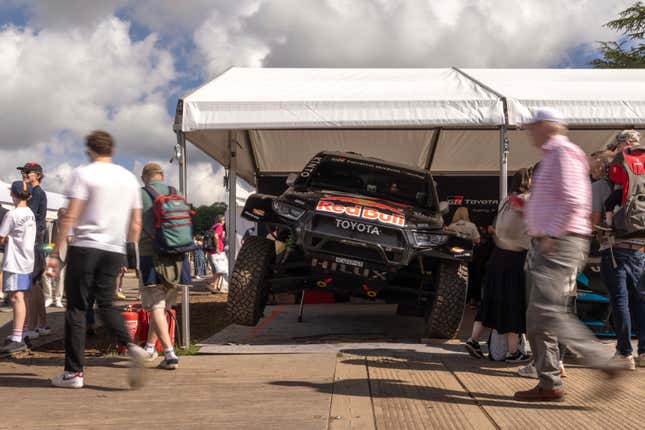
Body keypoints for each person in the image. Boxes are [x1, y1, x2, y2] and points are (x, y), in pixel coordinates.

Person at [514, 108, 619, 402]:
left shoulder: (563, 154)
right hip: (549, 241)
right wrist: (532, 212)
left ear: (548, 126)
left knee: (547, 310)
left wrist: (551, 233)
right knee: (538, 314)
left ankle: (603, 361)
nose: (530, 133)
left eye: (533, 127)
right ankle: (549, 383)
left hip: (558, 242)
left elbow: (574, 200)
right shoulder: (553, 157)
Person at [46, 130, 148, 389]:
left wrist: (55, 253)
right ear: (112, 150)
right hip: (114, 249)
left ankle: (74, 373)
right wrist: (128, 252)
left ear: (90, 150)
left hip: (85, 247)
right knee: (107, 304)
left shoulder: (83, 173)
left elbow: (69, 217)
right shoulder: (128, 178)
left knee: (78, 308)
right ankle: (132, 345)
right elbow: (136, 222)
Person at [465, 169, 532, 363]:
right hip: (515, 258)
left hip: (497, 256)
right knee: (512, 303)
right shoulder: (527, 199)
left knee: (491, 301)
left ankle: (473, 340)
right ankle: (514, 352)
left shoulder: (505, 201)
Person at [599, 130, 645, 370]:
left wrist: (606, 223)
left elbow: (605, 206)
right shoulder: (643, 163)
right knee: (640, 300)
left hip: (615, 246)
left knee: (620, 301)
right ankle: (644, 352)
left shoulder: (613, 171)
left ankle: (624, 353)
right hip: (640, 246)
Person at [138, 162, 182, 370]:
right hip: (175, 255)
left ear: (144, 177)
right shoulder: (175, 192)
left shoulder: (142, 194)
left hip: (150, 253)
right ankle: (149, 346)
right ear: (162, 176)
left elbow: (135, 224)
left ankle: (169, 353)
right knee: (163, 305)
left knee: (155, 304)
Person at [0, 181, 37, 355]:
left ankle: (17, 338)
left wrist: (6, 240)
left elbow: (2, 237)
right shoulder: (30, 213)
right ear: (29, 196)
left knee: (16, 298)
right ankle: (21, 333)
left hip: (15, 261)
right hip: (27, 260)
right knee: (22, 297)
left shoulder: (12, 214)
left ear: (12, 194)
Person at [18, 162, 49, 338]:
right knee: (35, 284)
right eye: (23, 171)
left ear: (37, 175)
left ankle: (32, 326)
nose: (24, 174)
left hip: (33, 241)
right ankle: (42, 324)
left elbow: (30, 219)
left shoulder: (36, 193)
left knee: (31, 285)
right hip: (36, 242)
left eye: (27, 172)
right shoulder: (35, 193)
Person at [44, 207, 68, 308]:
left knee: (60, 278)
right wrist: (45, 253)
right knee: (45, 276)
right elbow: (45, 240)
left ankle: (58, 299)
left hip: (62, 255)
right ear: (58, 215)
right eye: (61, 215)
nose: (62, 218)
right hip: (50, 254)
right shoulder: (50, 225)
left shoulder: (69, 228)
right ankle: (48, 298)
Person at [207, 214, 228, 293]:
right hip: (217, 251)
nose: (224, 222)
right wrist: (217, 247)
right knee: (222, 269)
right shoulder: (219, 226)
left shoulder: (213, 226)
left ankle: (215, 287)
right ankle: (213, 284)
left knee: (217, 269)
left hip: (211, 251)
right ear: (221, 220)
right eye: (224, 220)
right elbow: (215, 236)